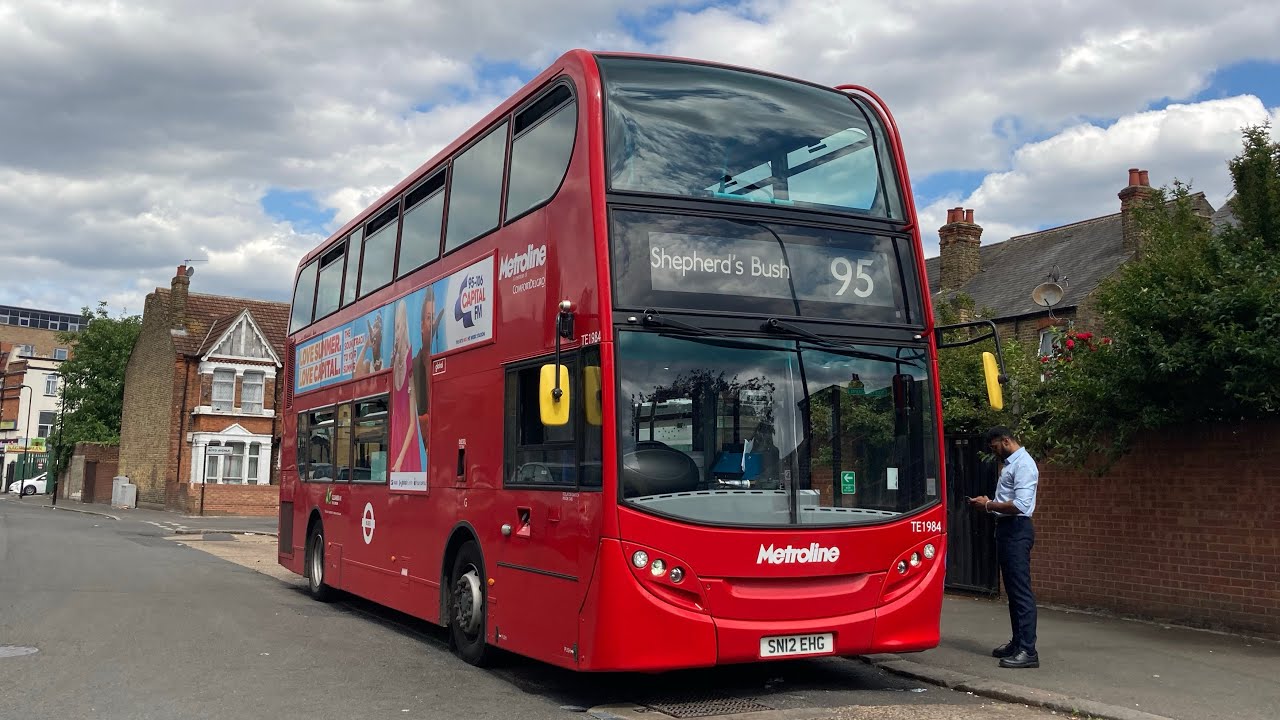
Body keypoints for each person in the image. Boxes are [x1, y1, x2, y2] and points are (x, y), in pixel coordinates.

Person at [968, 426, 1040, 669]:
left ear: (1006, 440)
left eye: (994, 446)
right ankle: (1018, 643)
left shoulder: (1024, 465)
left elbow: (1020, 504)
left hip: (1017, 528)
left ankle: (1028, 651)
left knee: (1021, 591)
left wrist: (988, 505)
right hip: (1007, 529)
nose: (994, 451)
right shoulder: (1011, 464)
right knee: (1012, 590)